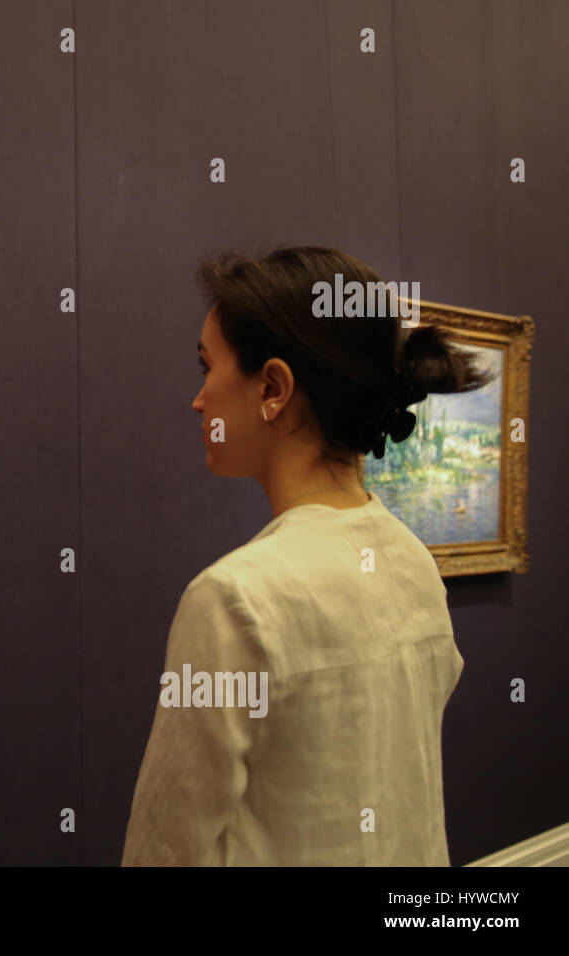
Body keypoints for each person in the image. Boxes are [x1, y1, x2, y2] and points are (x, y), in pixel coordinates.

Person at [121, 246, 492, 865]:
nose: (198, 400)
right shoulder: (412, 561)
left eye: (206, 367)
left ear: (272, 387)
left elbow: (165, 848)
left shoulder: (235, 600)